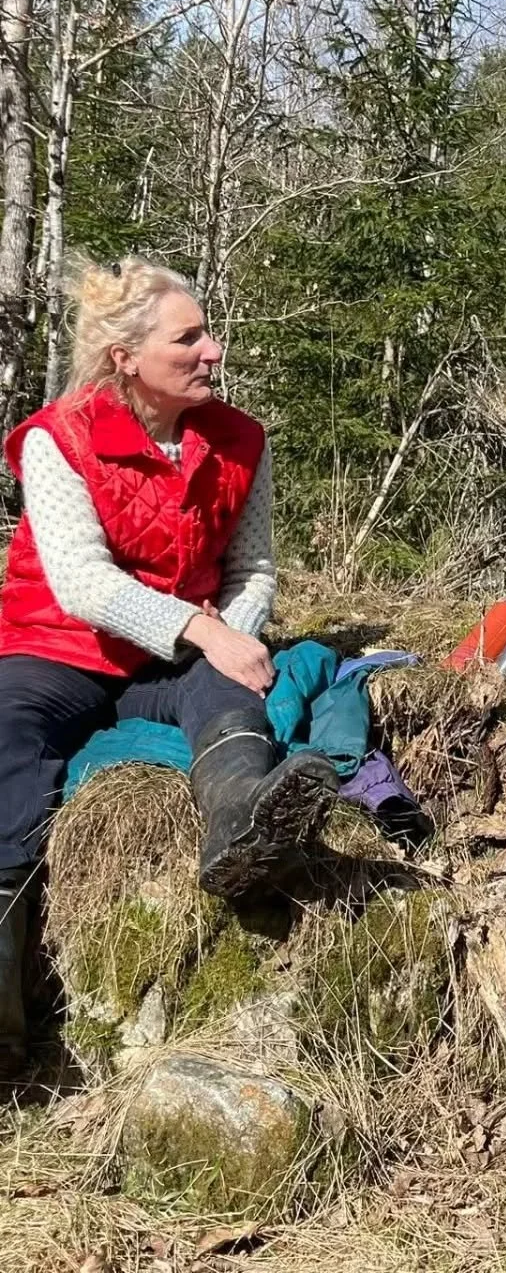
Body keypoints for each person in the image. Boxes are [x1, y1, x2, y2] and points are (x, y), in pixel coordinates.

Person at [0, 259, 338, 1075]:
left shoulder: (241, 439)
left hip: (185, 650)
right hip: (58, 645)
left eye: (207, 333)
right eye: (189, 338)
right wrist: (200, 625)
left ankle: (239, 824)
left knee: (236, 686)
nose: (213, 351)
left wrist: (237, 635)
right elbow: (81, 583)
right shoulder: (58, 438)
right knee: (7, 733)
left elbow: (252, 571)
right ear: (125, 355)